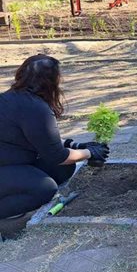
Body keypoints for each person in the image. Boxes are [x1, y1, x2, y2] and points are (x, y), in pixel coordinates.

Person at [0, 55, 109, 239]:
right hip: (5, 168)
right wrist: (89, 152)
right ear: (50, 82)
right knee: (44, 189)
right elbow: (58, 155)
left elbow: (45, 143)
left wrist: (76, 146)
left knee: (63, 169)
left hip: (11, 163)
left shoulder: (13, 99)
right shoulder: (36, 109)